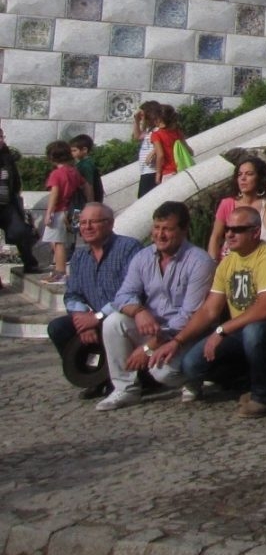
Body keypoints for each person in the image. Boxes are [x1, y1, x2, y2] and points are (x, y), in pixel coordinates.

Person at [172, 205, 266, 416]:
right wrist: (177, 341)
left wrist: (222, 330)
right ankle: (247, 382)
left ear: (255, 232)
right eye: (227, 228)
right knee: (191, 365)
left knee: (255, 332)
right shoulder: (228, 262)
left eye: (237, 229)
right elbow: (210, 309)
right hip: (240, 331)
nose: (229, 234)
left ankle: (264, 396)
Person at [96, 202, 215, 409]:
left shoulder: (199, 261)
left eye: (167, 229)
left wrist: (149, 347)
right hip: (154, 326)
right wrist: (139, 311)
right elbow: (122, 296)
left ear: (183, 230)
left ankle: (192, 379)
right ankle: (124, 389)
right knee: (113, 321)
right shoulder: (143, 257)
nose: (160, 235)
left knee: (163, 372)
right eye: (157, 228)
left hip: (186, 334)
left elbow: (191, 314)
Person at [46, 204, 142, 399]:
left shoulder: (128, 248)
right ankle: (95, 377)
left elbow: (131, 292)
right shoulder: (80, 256)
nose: (87, 227)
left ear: (110, 224)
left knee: (113, 324)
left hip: (124, 317)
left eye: (93, 222)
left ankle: (125, 378)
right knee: (59, 327)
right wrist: (82, 319)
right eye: (82, 223)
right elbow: (72, 293)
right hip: (95, 319)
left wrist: (97, 317)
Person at [41, 139, 90, 283]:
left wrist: (49, 213)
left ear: (52, 157)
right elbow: (86, 185)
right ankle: (63, 270)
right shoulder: (73, 172)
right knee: (68, 241)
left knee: (58, 242)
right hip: (74, 211)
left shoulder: (57, 174)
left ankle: (60, 272)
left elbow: (55, 193)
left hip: (61, 211)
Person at [207, 156, 266, 262]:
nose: (243, 178)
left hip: (260, 259)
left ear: (259, 177)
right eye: (240, 174)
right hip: (228, 259)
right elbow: (215, 237)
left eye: (249, 174)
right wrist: (211, 263)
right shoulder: (227, 204)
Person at [0, 126, 40, 276]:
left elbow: (15, 180)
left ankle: (30, 263)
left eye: (1, 137)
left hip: (7, 205)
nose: (1, 140)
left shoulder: (7, 157)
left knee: (20, 232)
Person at [133, 100, 163, 197]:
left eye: (142, 115)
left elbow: (163, 142)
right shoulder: (149, 130)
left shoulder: (158, 129)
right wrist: (136, 121)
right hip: (145, 170)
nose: (141, 118)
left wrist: (154, 152)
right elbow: (137, 137)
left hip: (152, 170)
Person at [149, 105, 185, 184]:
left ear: (159, 120)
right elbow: (189, 151)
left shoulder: (156, 135)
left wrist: (158, 174)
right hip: (183, 169)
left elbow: (160, 155)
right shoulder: (178, 132)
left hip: (168, 172)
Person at [70, 135, 103, 204]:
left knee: (77, 214)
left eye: (74, 150)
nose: (71, 153)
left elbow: (89, 186)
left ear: (84, 150)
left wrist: (90, 204)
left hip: (85, 202)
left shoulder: (86, 166)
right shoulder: (84, 163)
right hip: (81, 200)